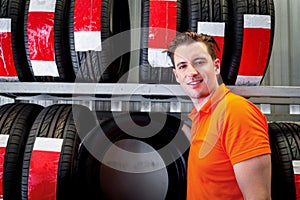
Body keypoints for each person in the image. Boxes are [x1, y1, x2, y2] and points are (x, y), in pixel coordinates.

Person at [167, 31, 272, 200]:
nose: (192, 72)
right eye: (183, 66)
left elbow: (259, 196)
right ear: (177, 75)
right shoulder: (200, 117)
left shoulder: (237, 112)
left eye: (199, 62)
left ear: (216, 66)